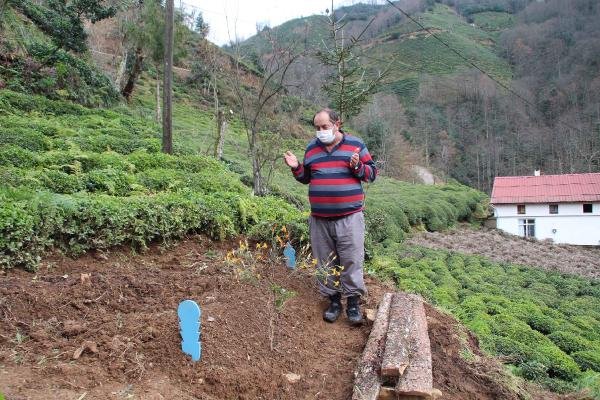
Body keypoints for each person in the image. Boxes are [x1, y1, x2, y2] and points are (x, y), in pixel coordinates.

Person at [283, 108, 377, 325]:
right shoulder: (311, 149)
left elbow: (371, 174)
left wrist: (358, 167)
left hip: (349, 217)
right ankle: (334, 302)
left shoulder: (356, 145)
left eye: (324, 127)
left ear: (337, 124)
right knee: (325, 261)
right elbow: (307, 177)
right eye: (317, 128)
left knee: (352, 259)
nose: (320, 131)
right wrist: (296, 167)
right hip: (320, 219)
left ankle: (353, 303)